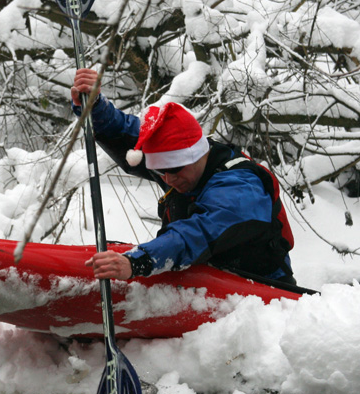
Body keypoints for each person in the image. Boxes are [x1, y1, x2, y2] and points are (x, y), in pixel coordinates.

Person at [72, 68, 296, 286]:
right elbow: (131, 134)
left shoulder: (240, 189)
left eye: (173, 171)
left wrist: (137, 262)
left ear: (196, 156)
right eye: (160, 171)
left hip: (261, 291)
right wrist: (95, 107)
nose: (167, 179)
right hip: (203, 274)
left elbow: (195, 234)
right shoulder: (180, 166)